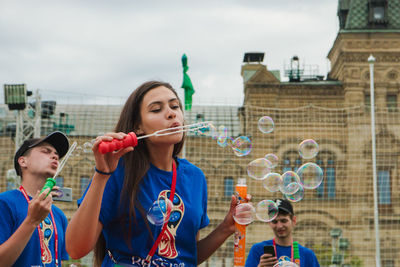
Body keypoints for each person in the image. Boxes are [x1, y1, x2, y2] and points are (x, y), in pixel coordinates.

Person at [66, 81, 239, 266]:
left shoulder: (195, 177)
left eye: (175, 106)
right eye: (156, 109)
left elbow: (185, 256)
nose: (172, 113)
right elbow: (76, 249)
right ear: (138, 127)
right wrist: (101, 175)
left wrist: (225, 228)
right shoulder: (118, 171)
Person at [0, 131, 70, 266]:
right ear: (23, 161)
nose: (55, 156)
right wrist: (32, 220)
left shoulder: (59, 215)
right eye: (46, 151)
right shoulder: (5, 203)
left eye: (57, 154)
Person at [245, 199, 320, 267]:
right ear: (269, 223)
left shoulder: (307, 255)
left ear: (293, 220)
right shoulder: (258, 250)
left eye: (284, 221)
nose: (279, 226)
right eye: (274, 221)